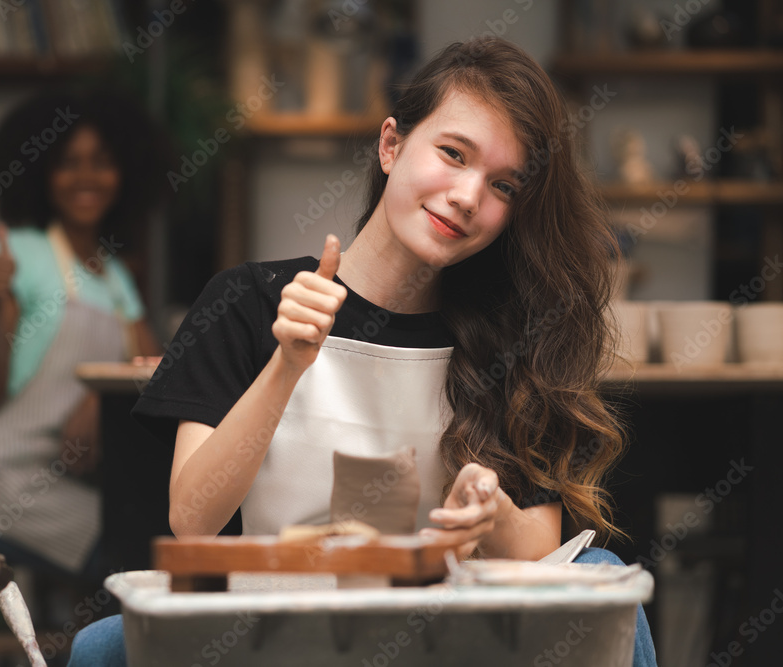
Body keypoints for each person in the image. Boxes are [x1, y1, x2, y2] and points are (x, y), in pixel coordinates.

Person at [68, 37, 657, 666]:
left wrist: (488, 512)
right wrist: (287, 363)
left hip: (440, 641)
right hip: (286, 634)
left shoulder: (506, 337)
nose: (467, 195)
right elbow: (192, 518)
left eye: (504, 186)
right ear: (391, 145)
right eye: (453, 153)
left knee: (602, 571)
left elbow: (540, 552)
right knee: (101, 646)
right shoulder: (246, 301)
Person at [0, 89, 168, 584]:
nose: (87, 176)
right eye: (69, 163)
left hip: (73, 481)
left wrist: (98, 399)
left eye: (103, 162)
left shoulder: (115, 277)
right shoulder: (16, 254)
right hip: (0, 480)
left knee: (150, 540)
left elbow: (153, 370)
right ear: (42, 175)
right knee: (135, 555)